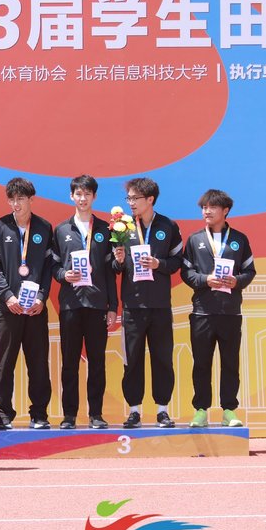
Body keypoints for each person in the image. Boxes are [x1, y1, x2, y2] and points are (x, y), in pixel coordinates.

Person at [108, 177, 184, 429]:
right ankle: (134, 411)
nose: (130, 203)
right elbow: (114, 267)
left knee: (162, 358)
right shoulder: (122, 227)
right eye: (128, 198)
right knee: (132, 360)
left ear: (150, 199)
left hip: (160, 305)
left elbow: (178, 262)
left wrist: (158, 264)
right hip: (132, 305)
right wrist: (118, 260)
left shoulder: (168, 226)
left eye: (135, 198)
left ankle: (162, 410)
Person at [181, 189, 256, 429]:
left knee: (230, 363)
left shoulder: (239, 239)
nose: (207, 211)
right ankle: (201, 410)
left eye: (212, 207)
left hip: (230, 312)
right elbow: (186, 272)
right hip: (202, 312)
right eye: (204, 207)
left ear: (225, 211)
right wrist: (205, 280)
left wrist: (237, 281)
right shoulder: (195, 240)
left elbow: (250, 271)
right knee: (201, 363)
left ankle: (229, 411)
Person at [51, 175, 119, 429]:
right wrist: (63, 275)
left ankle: (96, 414)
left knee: (97, 362)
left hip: (97, 304)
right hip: (70, 303)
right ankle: (69, 415)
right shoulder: (61, 230)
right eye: (78, 194)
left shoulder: (105, 230)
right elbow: (53, 266)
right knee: (69, 362)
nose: (82, 199)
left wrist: (113, 306)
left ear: (94, 197)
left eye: (87, 194)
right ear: (72, 196)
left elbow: (111, 271)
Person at [0, 177, 55, 431]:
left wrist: (42, 297)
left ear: (31, 200)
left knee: (38, 363)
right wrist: (7, 295)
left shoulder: (44, 227)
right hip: (9, 308)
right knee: (4, 363)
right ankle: (3, 414)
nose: (16, 204)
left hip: (35, 308)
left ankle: (39, 414)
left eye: (21, 199)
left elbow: (48, 267)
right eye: (12, 199)